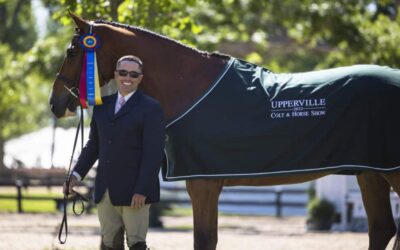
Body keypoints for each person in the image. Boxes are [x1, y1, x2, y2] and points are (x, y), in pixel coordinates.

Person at [65, 55, 165, 250]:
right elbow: (93, 146)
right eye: (123, 72)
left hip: (135, 192)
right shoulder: (101, 106)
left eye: (134, 74)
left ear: (140, 78)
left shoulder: (151, 108)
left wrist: (142, 190)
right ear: (115, 75)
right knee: (110, 243)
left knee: (136, 243)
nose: (128, 77)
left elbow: (153, 154)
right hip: (106, 190)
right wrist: (75, 175)